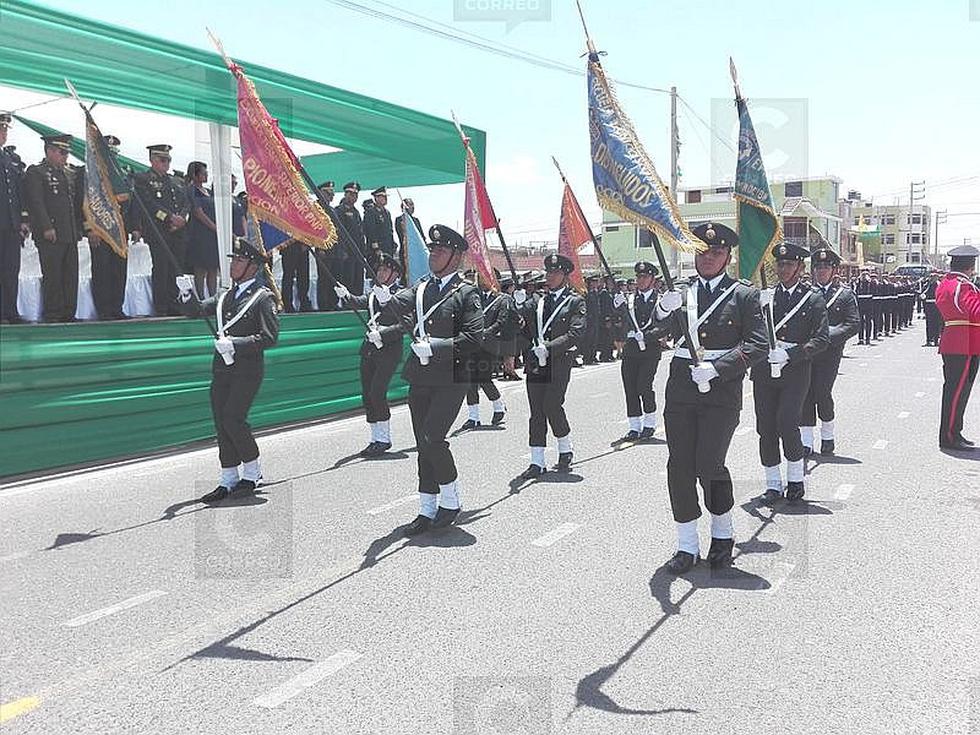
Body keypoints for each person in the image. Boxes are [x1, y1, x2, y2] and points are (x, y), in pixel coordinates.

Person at [654, 222, 767, 575]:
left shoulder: (743, 295)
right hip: (682, 386)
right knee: (679, 465)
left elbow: (758, 345)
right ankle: (687, 545)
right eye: (702, 252)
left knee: (709, 464)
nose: (708, 258)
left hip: (721, 389)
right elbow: (659, 333)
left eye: (716, 253)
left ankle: (722, 535)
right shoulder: (681, 293)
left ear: (728, 257)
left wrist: (719, 368)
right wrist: (660, 310)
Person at [377, 225, 483, 535]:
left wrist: (436, 345)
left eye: (440, 250)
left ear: (455, 256)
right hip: (421, 375)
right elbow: (398, 306)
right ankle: (426, 508)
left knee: (433, 437)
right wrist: (386, 297)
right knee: (422, 443)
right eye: (432, 249)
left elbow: (474, 337)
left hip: (451, 376)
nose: (433, 253)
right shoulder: (422, 287)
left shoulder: (466, 292)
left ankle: (451, 500)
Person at [178, 237, 280, 502]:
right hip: (222, 369)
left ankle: (252, 472)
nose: (234, 264)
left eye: (240, 260)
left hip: (247, 369)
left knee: (234, 418)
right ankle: (228, 478)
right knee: (221, 422)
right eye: (233, 259)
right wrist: (187, 293)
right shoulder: (225, 295)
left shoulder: (262, 297)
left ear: (253, 267)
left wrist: (236, 343)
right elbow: (197, 311)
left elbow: (269, 337)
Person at [751, 242, 829, 505]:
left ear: (800, 267)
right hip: (764, 369)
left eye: (789, 264)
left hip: (795, 370)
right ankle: (773, 484)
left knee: (787, 422)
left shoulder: (813, 298)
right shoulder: (765, 296)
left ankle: (795, 480)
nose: (783, 268)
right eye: (780, 264)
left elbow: (821, 340)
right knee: (766, 428)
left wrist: (791, 354)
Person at [517, 253, 587, 479]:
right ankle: (537, 461)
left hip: (558, 362)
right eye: (548, 272)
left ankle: (565, 448)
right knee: (536, 411)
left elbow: (575, 333)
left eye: (555, 273)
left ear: (565, 276)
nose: (550, 276)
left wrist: (549, 347)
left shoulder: (575, 301)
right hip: (536, 363)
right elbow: (520, 318)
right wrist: (517, 302)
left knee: (552, 406)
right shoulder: (538, 300)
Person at [334, 253, 405, 456]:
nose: (380, 273)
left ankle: (384, 438)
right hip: (369, 349)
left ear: (395, 273)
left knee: (377, 392)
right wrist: (346, 295)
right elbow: (359, 302)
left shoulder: (402, 294)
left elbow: (405, 324)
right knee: (367, 395)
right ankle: (375, 438)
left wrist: (383, 333)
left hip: (389, 350)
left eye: (385, 270)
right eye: (379, 270)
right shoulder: (374, 293)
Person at [799, 247, 860, 456]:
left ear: (834, 270)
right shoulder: (806, 293)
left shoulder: (844, 295)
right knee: (806, 393)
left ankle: (827, 436)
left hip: (830, 352)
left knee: (822, 393)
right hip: (808, 352)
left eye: (826, 267)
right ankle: (806, 441)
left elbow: (853, 324)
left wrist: (828, 337)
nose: (821, 271)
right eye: (818, 267)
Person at [24, 133, 83, 322]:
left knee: (70, 274)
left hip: (69, 232)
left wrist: (77, 230)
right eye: (62, 152)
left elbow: (72, 204)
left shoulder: (65, 174)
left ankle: (69, 312)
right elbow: (36, 202)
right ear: (49, 151)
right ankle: (53, 312)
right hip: (51, 233)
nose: (65, 157)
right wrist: (46, 227)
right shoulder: (37, 172)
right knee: (53, 274)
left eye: (67, 153)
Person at [614, 261, 669, 442]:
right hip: (630, 350)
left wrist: (646, 336)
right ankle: (634, 426)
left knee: (644, 385)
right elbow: (621, 323)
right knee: (630, 387)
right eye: (638, 276)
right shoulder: (629, 299)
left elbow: (664, 327)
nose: (640, 280)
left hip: (650, 351)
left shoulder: (661, 301)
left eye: (644, 277)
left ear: (653, 279)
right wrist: (618, 309)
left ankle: (649, 423)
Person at [132, 144, 189, 316]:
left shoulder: (175, 181)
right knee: (162, 269)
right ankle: (162, 306)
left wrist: (182, 219)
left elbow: (186, 203)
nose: (166, 164)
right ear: (152, 160)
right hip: (159, 231)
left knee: (176, 269)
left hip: (178, 231)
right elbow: (148, 204)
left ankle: (175, 304)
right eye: (162, 160)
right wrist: (170, 218)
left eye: (168, 160)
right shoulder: (143, 179)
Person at [936, 245, 980, 450]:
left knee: (956, 391)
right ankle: (950, 436)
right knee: (957, 392)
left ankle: (954, 432)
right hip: (965, 343)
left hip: (955, 340)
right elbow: (975, 311)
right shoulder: (963, 286)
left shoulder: (945, 283)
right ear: (971, 266)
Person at [461, 268, 516, 429]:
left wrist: (485, 332)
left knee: (484, 378)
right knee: (470, 380)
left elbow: (502, 320)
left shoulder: (502, 299)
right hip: (472, 343)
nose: (481, 280)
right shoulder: (472, 296)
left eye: (485, 277)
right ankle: (473, 416)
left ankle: (498, 405)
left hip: (490, 344)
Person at [0, 113, 29, 324]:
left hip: (10, 224)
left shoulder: (8, 158)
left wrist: (22, 220)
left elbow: (16, 192)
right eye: (1, 129)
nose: (3, 133)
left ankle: (10, 311)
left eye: (5, 130)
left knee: (10, 269)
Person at [184, 161, 220, 299]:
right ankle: (201, 298)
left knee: (213, 267)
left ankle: (213, 297)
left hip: (212, 235)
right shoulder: (192, 190)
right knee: (200, 268)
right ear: (195, 174)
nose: (206, 175)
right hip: (200, 234)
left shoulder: (209, 192)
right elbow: (198, 212)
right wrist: (214, 227)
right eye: (203, 173)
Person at [334, 181, 366, 298]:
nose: (353, 197)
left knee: (358, 280)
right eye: (351, 194)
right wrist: (342, 251)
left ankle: (358, 301)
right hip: (347, 252)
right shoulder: (339, 210)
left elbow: (360, 234)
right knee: (348, 280)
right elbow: (340, 233)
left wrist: (363, 252)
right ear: (345, 194)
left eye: (355, 195)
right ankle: (348, 304)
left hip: (357, 253)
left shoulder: (356, 212)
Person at [362, 185, 396, 266]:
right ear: (376, 198)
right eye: (383, 196)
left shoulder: (387, 212)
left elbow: (390, 230)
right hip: (377, 250)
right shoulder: (371, 212)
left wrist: (392, 244)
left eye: (385, 196)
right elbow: (370, 231)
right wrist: (376, 248)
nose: (385, 198)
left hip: (387, 248)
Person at [280, 237, 313, 312]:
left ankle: (304, 302)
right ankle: (287, 305)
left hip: (303, 246)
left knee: (304, 277)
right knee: (288, 277)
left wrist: (306, 242)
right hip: (288, 246)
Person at [394, 197, 422, 271]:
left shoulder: (416, 220)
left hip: (417, 252)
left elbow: (421, 236)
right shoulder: (399, 220)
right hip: (406, 252)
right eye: (410, 205)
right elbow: (401, 234)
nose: (412, 207)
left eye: (413, 205)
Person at [855, 268, 875, 345]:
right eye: (863, 274)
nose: (864, 276)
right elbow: (854, 291)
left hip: (869, 303)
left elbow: (875, 290)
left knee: (868, 321)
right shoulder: (858, 282)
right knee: (860, 322)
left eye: (865, 274)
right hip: (860, 303)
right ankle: (860, 338)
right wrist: (858, 281)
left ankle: (868, 338)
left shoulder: (871, 283)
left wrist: (869, 280)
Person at [923, 271, 942, 347]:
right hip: (929, 306)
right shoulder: (927, 285)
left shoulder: (939, 285)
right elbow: (922, 294)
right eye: (932, 277)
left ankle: (936, 340)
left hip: (936, 306)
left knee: (937, 323)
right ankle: (928, 340)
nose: (933, 278)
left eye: (935, 277)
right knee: (929, 323)